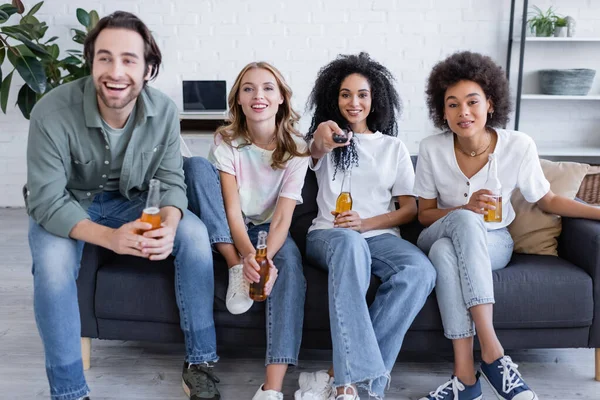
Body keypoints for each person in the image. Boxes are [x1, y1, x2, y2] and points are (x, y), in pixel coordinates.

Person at [25, 11, 220, 400]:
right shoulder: (51, 110)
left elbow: (170, 180)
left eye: (129, 59)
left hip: (129, 203)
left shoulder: (162, 111)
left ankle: (200, 361)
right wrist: (111, 239)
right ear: (91, 62)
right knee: (51, 267)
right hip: (68, 204)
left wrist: (169, 220)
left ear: (149, 67)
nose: (116, 72)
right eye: (105, 58)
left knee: (195, 235)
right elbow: (46, 197)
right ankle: (69, 392)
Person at [415, 50, 600, 400]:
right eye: (452, 104)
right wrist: (464, 208)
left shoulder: (518, 145)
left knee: (445, 254)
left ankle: (465, 379)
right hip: (438, 229)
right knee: (457, 227)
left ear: (490, 102)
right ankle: (493, 352)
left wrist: (597, 211)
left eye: (472, 101)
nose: (463, 112)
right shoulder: (431, 148)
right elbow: (423, 214)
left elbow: (546, 200)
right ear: (442, 111)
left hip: (494, 239)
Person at [296, 52, 436, 400]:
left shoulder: (393, 148)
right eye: (345, 94)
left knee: (419, 271)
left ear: (375, 100)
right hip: (330, 236)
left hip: (379, 236)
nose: (354, 102)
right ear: (334, 97)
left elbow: (408, 209)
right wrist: (319, 139)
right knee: (350, 243)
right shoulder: (328, 138)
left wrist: (366, 223)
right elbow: (312, 151)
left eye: (362, 94)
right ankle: (347, 386)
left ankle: (345, 377)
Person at [183, 61, 310, 400]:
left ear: (281, 98)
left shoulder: (297, 149)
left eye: (268, 88)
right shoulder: (226, 142)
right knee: (195, 166)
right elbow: (230, 211)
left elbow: (282, 219)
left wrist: (264, 256)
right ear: (238, 99)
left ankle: (272, 387)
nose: (259, 96)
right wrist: (244, 255)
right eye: (248, 89)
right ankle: (232, 263)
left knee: (291, 267)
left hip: (271, 227)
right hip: (230, 225)